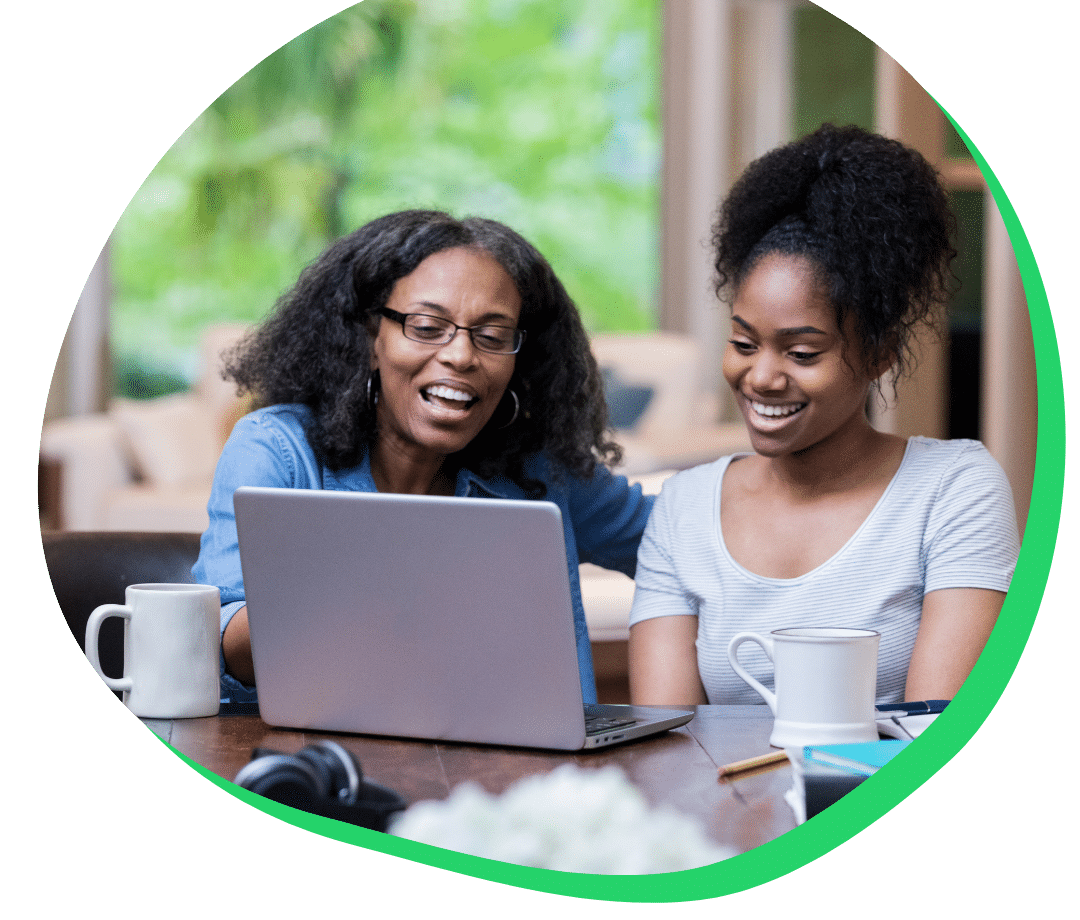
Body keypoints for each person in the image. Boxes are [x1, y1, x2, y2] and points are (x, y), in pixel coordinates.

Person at [628, 124, 1019, 708]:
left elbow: (934, 735)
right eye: (742, 343)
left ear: (880, 352)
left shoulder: (955, 489)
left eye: (802, 352)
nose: (761, 376)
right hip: (717, 801)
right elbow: (665, 742)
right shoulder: (684, 510)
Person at [193, 210, 652, 704]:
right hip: (328, 764)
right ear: (371, 339)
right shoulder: (277, 450)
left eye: (492, 336)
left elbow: (674, 539)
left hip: (518, 768)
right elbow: (223, 647)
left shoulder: (539, 470)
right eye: (429, 326)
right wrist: (375, 573)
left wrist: (744, 473)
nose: (460, 355)